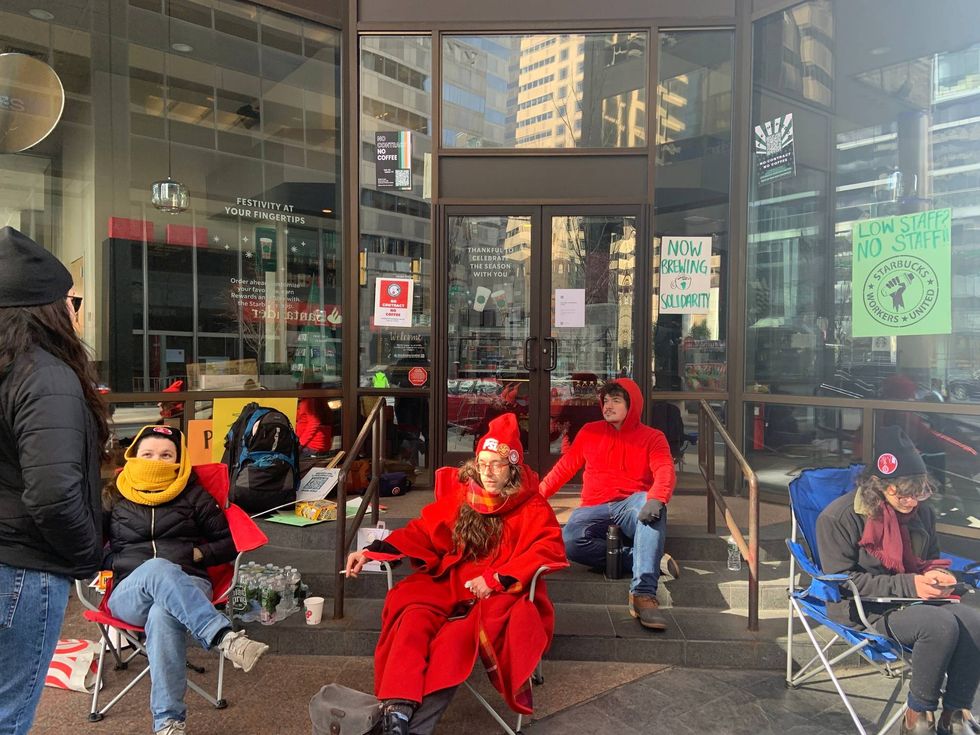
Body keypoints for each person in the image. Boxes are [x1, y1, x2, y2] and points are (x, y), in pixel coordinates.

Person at [345, 413, 567, 735]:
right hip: (450, 581)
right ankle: (397, 708)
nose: (488, 472)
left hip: (495, 595)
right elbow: (422, 530)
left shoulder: (531, 506)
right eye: (483, 462)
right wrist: (371, 552)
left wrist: (496, 578)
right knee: (413, 616)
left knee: (454, 642)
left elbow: (545, 550)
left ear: (513, 468)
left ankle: (410, 727)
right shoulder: (464, 497)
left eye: (498, 464)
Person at [0, 226, 110, 735]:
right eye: (73, 299)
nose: (76, 311)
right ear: (49, 307)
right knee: (10, 713)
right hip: (24, 569)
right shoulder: (45, 375)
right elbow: (53, 494)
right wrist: (88, 552)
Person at [104, 424, 270, 735]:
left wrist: (195, 555)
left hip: (188, 584)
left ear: (180, 460)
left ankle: (168, 723)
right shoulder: (115, 494)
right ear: (133, 456)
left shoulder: (194, 494)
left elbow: (227, 542)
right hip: (130, 591)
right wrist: (121, 562)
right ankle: (224, 638)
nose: (157, 460)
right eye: (148, 454)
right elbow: (86, 547)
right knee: (155, 569)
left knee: (162, 613)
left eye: (167, 455)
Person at [816, 426, 979, 735]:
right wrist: (911, 585)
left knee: (974, 622)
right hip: (864, 609)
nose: (911, 501)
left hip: (913, 599)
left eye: (918, 492)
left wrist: (938, 578)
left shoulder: (922, 513)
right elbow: (841, 582)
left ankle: (956, 715)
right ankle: (917, 719)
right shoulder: (839, 518)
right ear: (877, 485)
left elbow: (928, 559)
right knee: (938, 627)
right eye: (902, 492)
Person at [539, 377, 676, 631]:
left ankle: (643, 593)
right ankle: (647, 558)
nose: (608, 406)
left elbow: (665, 470)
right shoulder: (590, 431)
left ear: (631, 405)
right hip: (594, 506)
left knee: (651, 505)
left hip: (631, 504)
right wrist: (536, 497)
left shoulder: (653, 437)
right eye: (605, 401)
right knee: (570, 539)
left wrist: (658, 497)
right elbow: (564, 468)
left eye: (616, 400)